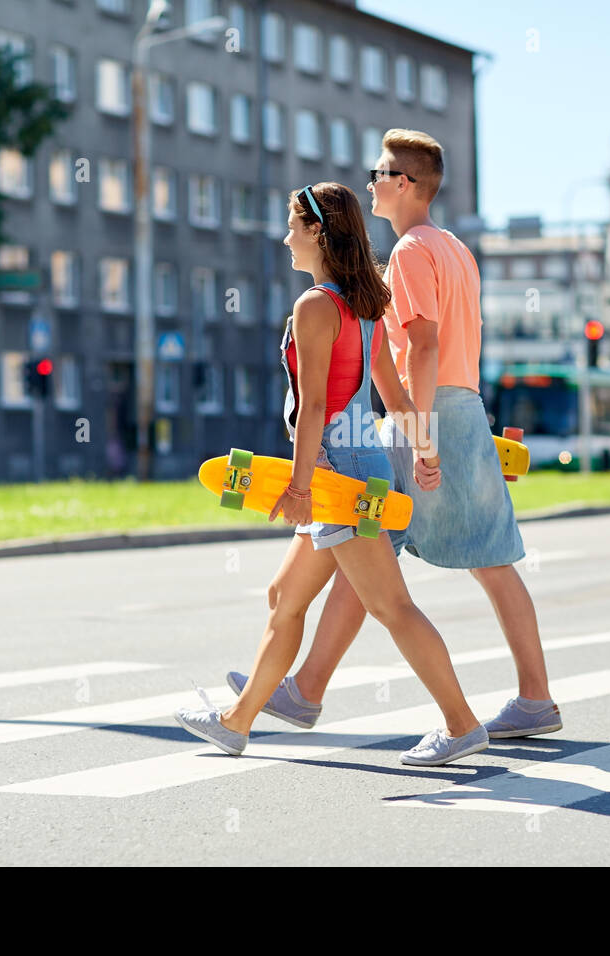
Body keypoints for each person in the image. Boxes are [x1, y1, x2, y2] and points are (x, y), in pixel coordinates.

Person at [230, 130, 561, 738]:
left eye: (380, 173)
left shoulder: (409, 251)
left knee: (382, 558)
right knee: (470, 558)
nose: (372, 182)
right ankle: (530, 696)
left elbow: (424, 345)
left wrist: (418, 432)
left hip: (427, 413)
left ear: (404, 184)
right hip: (462, 407)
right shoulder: (455, 247)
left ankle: (317, 691)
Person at [175, 182, 490, 766]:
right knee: (283, 595)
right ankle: (237, 721)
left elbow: (317, 406)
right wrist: (423, 450)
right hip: (356, 466)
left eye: (294, 225)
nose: (286, 236)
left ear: (318, 231)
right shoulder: (362, 302)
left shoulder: (317, 305)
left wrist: (299, 488)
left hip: (339, 477)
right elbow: (391, 394)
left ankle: (462, 723)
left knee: (391, 607)